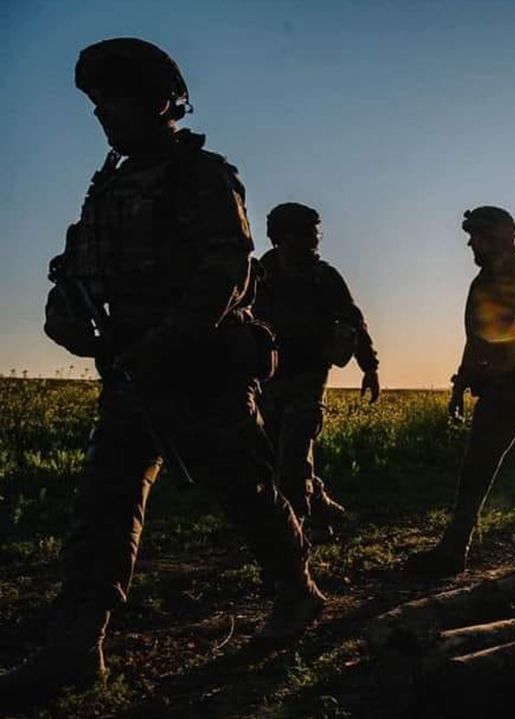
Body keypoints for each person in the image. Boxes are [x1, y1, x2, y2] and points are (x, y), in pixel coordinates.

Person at [0, 38, 323, 706]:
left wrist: (168, 338)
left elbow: (228, 271)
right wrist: (65, 318)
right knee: (104, 500)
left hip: (201, 369)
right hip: (130, 373)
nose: (102, 116)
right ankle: (76, 640)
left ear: (155, 102)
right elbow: (76, 269)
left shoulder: (202, 175)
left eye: (111, 102)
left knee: (243, 486)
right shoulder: (108, 188)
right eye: (95, 105)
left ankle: (296, 589)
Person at [407, 206, 515, 578]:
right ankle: (454, 550)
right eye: (470, 235)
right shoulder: (481, 284)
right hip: (500, 391)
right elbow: (475, 339)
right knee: (475, 469)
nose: (471, 242)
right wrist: (460, 384)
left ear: (500, 235)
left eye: (477, 235)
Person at [254, 202, 380, 537]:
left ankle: (297, 534)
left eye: (315, 232)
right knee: (271, 456)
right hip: (268, 379)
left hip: (309, 378)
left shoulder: (325, 277)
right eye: (305, 232)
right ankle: (324, 507)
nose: (314, 239)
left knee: (293, 456)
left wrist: (369, 367)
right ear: (281, 237)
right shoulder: (260, 273)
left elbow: (354, 321)